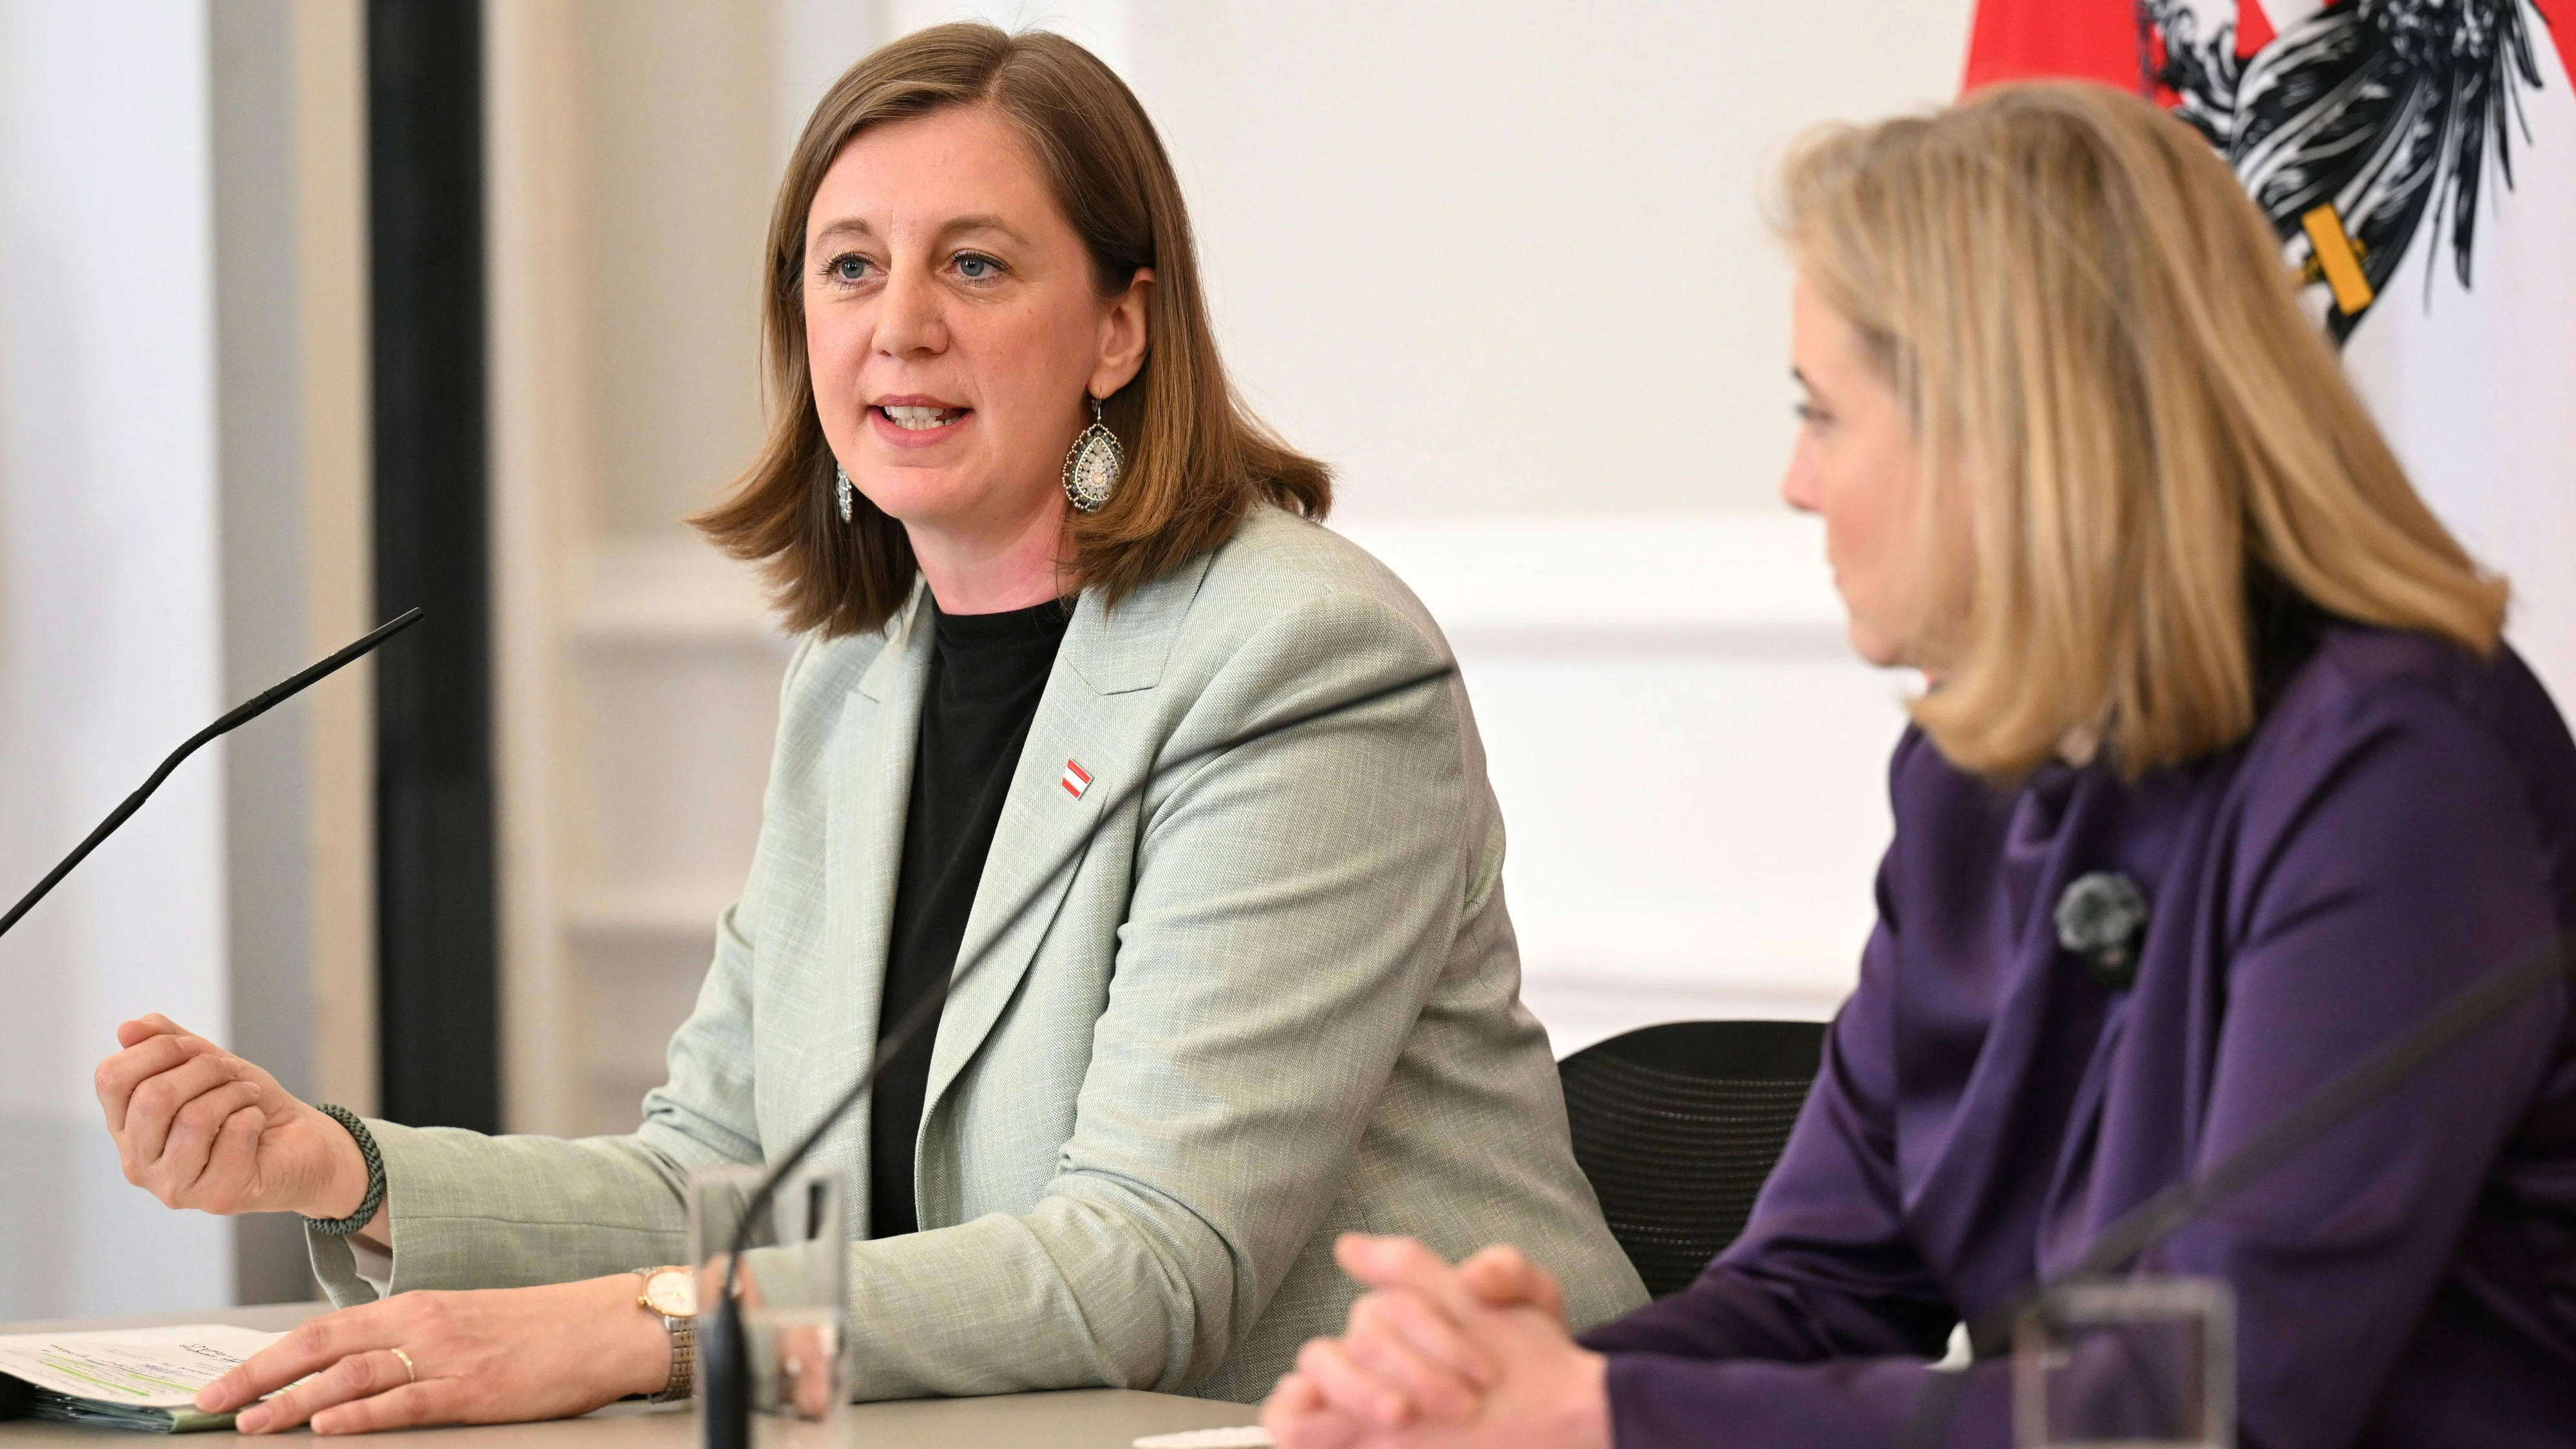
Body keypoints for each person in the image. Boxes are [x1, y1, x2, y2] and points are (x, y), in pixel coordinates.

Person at [91, 24, 1643, 1434]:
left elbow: (1149, 1265)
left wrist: (646, 1330)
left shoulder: (1298, 662)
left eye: (973, 266)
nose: (897, 327)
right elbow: (718, 1177)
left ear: (1116, 330)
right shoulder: (859, 682)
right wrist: (347, 1170)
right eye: (848, 268)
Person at [1262, 80, 2576, 1449]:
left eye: (1819, 413)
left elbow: (2210, 1408)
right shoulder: (1973, 774)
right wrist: (1500, 1397)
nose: (1794, 482)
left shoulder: (2401, 771)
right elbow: (1814, 1293)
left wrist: (1602, 1411)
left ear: (2004, 438)